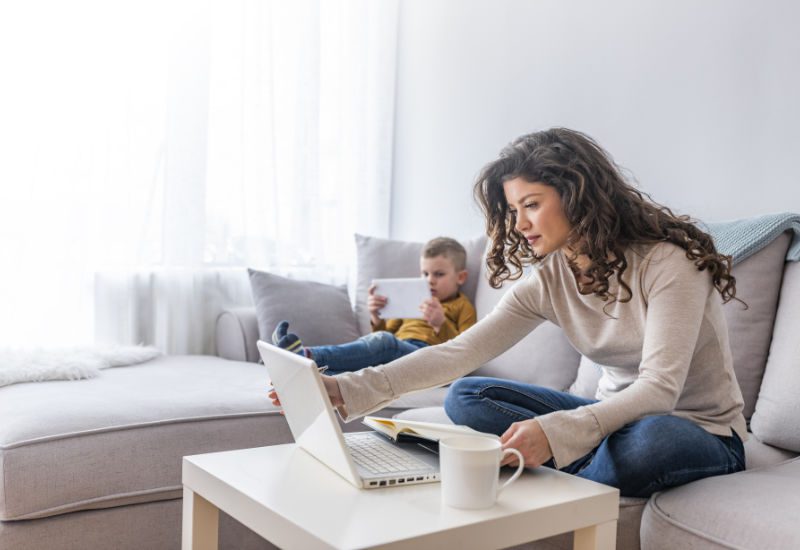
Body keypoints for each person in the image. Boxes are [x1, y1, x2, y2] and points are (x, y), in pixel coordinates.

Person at [270, 128, 747, 498]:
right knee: (466, 395)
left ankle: (556, 472)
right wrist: (346, 388)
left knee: (650, 443)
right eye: (513, 209)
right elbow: (460, 352)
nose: (518, 225)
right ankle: (577, 463)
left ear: (578, 195)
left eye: (532, 205)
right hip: (607, 421)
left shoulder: (668, 264)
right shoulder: (551, 278)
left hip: (695, 429)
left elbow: (659, 389)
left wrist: (561, 431)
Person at [271, 237, 477, 375]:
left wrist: (441, 325)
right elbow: (388, 334)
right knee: (358, 369)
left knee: (383, 342)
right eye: (425, 273)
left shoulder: (462, 305)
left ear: (461, 277)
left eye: (439, 274)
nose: (429, 280)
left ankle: (304, 356)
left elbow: (465, 353)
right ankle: (301, 372)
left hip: (430, 359)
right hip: (398, 352)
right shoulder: (414, 297)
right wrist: (377, 317)